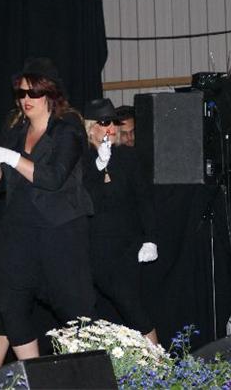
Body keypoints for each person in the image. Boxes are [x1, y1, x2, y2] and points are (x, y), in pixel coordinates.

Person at [0, 57, 96, 362]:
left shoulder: (67, 130)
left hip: (60, 232)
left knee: (75, 312)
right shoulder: (14, 130)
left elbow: (53, 178)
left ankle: (88, 375)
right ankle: (35, 375)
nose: (26, 99)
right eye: (21, 93)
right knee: (10, 305)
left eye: (34, 92)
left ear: (50, 95)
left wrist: (11, 158)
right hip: (18, 230)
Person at [82, 99, 159, 344]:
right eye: (105, 122)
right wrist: (98, 166)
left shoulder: (128, 158)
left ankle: (159, 362)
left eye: (114, 122)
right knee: (95, 313)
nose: (112, 128)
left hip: (125, 247)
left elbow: (144, 200)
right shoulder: (81, 160)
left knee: (132, 307)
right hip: (92, 248)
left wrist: (150, 239)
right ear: (91, 127)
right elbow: (85, 200)